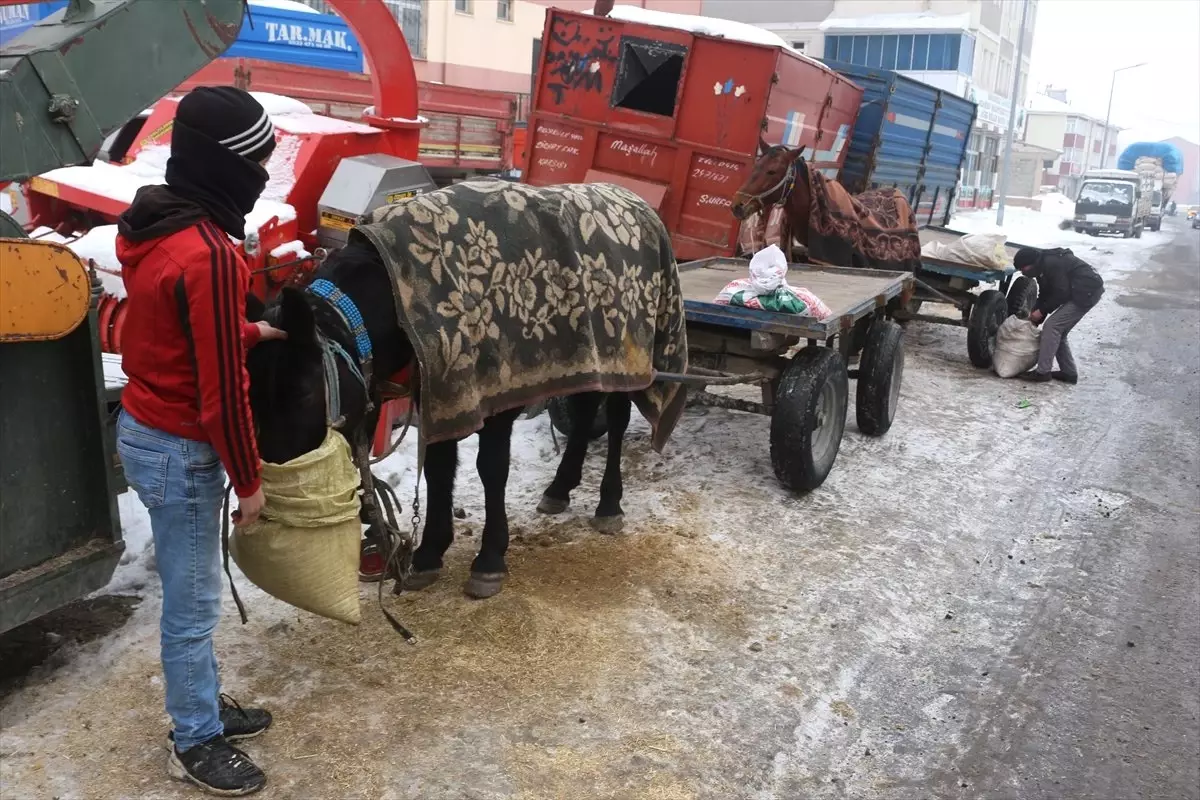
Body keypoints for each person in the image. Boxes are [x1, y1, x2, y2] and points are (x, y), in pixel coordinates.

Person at [115, 86, 286, 796]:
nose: (264, 176)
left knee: (192, 594)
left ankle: (203, 702)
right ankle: (195, 740)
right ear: (225, 164)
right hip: (183, 448)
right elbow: (222, 395)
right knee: (193, 608)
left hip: (143, 429)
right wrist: (248, 482)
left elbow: (168, 326)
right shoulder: (212, 251)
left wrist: (249, 328)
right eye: (257, 161)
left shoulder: (157, 219)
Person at [1012, 246, 1104, 384]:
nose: (1023, 273)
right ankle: (1069, 373)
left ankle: (1042, 372)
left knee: (1052, 327)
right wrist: (1037, 311)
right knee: (1058, 331)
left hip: (1086, 293)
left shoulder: (1052, 264)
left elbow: (1061, 292)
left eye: (1023, 269)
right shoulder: (1042, 266)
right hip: (1079, 290)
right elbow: (1045, 293)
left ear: (1032, 264)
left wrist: (1042, 311)